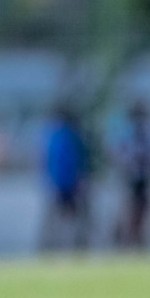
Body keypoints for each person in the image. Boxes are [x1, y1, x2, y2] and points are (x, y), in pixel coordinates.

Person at [41, 107, 91, 250]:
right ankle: (64, 244)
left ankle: (60, 244)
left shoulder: (55, 137)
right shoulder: (66, 138)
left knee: (62, 217)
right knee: (66, 217)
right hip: (66, 184)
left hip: (61, 184)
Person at [112, 100, 150, 248]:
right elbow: (118, 154)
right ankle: (127, 242)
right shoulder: (127, 133)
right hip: (131, 176)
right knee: (130, 210)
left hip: (144, 176)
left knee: (144, 211)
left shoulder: (149, 132)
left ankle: (141, 241)